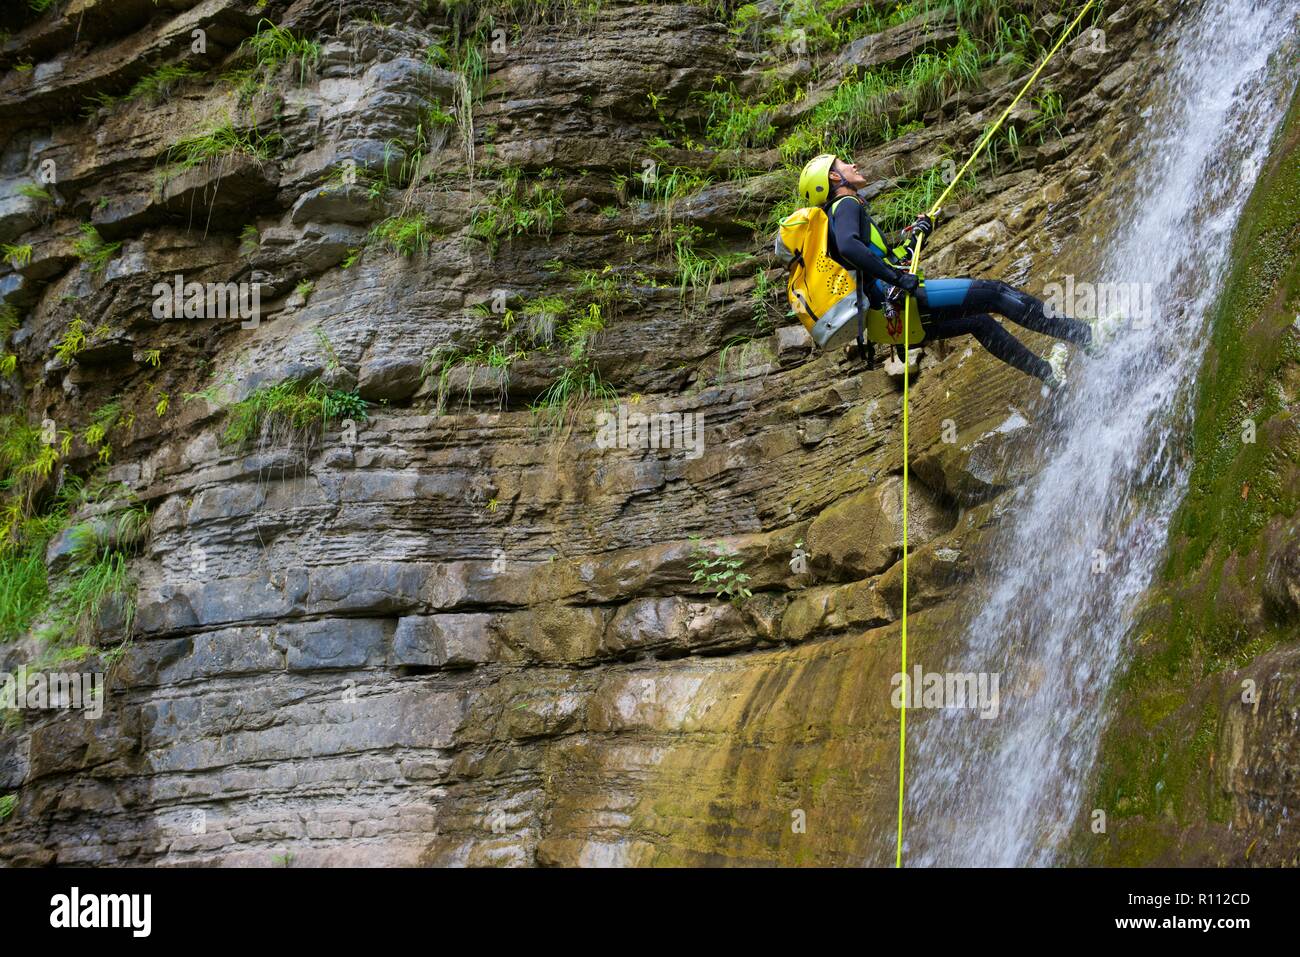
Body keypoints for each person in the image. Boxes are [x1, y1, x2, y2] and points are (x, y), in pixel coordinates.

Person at [798, 153, 1120, 389]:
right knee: (995, 293)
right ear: (834, 180)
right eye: (843, 165)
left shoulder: (834, 219)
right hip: (900, 300)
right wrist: (898, 278)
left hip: (888, 320)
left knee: (978, 323)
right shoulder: (847, 206)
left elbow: (873, 258)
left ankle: (1047, 374)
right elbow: (854, 248)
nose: (852, 165)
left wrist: (914, 239)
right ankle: (1086, 336)